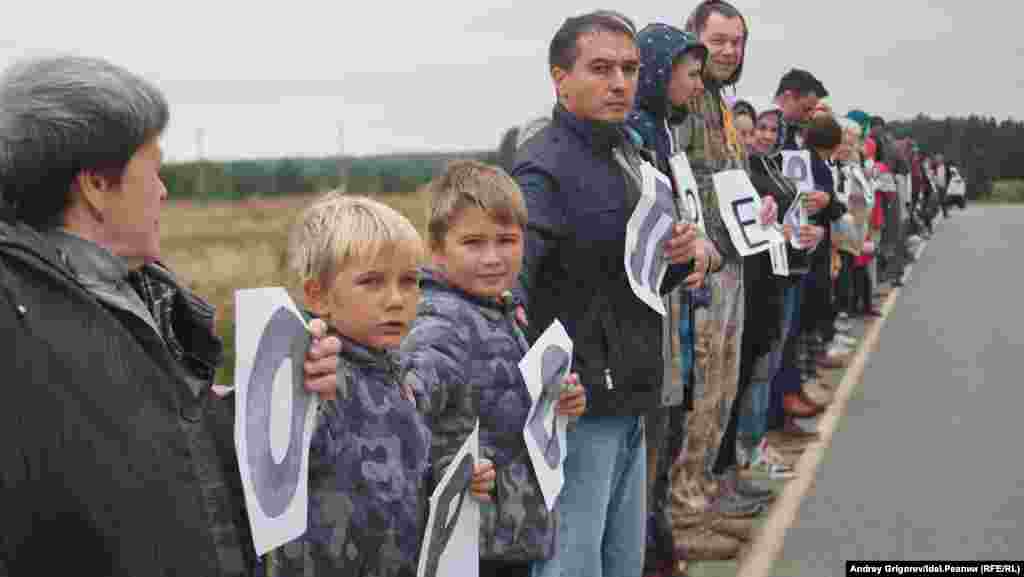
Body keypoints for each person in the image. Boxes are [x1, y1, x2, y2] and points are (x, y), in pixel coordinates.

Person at [0, 55, 343, 576]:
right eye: (154, 170)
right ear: (96, 185)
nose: (164, 191)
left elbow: (155, 461)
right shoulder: (17, 316)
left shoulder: (145, 298)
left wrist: (279, 395)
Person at [513, 11, 701, 577]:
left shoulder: (631, 153)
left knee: (623, 563)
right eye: (600, 69)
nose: (619, 82)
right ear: (560, 78)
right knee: (573, 566)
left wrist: (676, 257)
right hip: (581, 407)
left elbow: (637, 277)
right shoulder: (541, 165)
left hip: (635, 394)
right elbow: (516, 273)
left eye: (629, 69)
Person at [402, 161, 587, 577]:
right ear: (437, 248)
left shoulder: (500, 310)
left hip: (508, 538)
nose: (492, 257)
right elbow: (404, 421)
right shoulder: (440, 325)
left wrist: (556, 405)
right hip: (469, 547)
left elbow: (503, 411)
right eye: (473, 243)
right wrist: (447, 472)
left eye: (506, 240)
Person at [272, 193, 431, 577]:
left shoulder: (395, 372)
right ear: (318, 295)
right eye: (372, 282)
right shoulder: (316, 375)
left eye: (409, 281)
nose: (396, 299)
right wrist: (302, 384)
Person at [622, 23, 716, 577]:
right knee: (651, 445)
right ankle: (651, 557)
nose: (699, 85)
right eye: (691, 73)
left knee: (668, 430)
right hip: (648, 312)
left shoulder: (664, 132)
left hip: (673, 304)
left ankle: (660, 550)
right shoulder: (636, 137)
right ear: (660, 73)